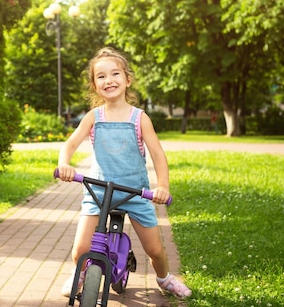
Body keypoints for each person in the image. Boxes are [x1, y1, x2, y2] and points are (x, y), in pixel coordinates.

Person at [55, 47, 192, 299]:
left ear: (127, 80)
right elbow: (70, 144)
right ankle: (81, 273)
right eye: (101, 76)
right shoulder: (93, 117)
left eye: (115, 74)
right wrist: (65, 163)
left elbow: (158, 155)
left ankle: (164, 278)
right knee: (80, 250)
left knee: (155, 250)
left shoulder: (140, 118)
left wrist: (162, 186)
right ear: (94, 86)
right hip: (99, 192)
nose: (109, 80)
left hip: (135, 193)